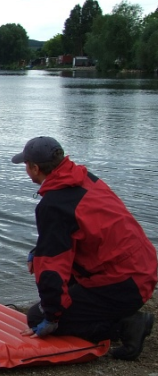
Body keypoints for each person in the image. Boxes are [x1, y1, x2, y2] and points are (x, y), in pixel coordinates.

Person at [12, 136, 156, 360]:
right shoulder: (84, 178)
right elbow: (78, 230)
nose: (26, 169)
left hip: (124, 282)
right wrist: (38, 249)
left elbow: (51, 267)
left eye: (26, 165)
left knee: (35, 317)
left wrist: (51, 317)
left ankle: (127, 325)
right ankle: (116, 313)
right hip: (142, 267)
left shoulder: (53, 205)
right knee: (60, 295)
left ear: (35, 168)